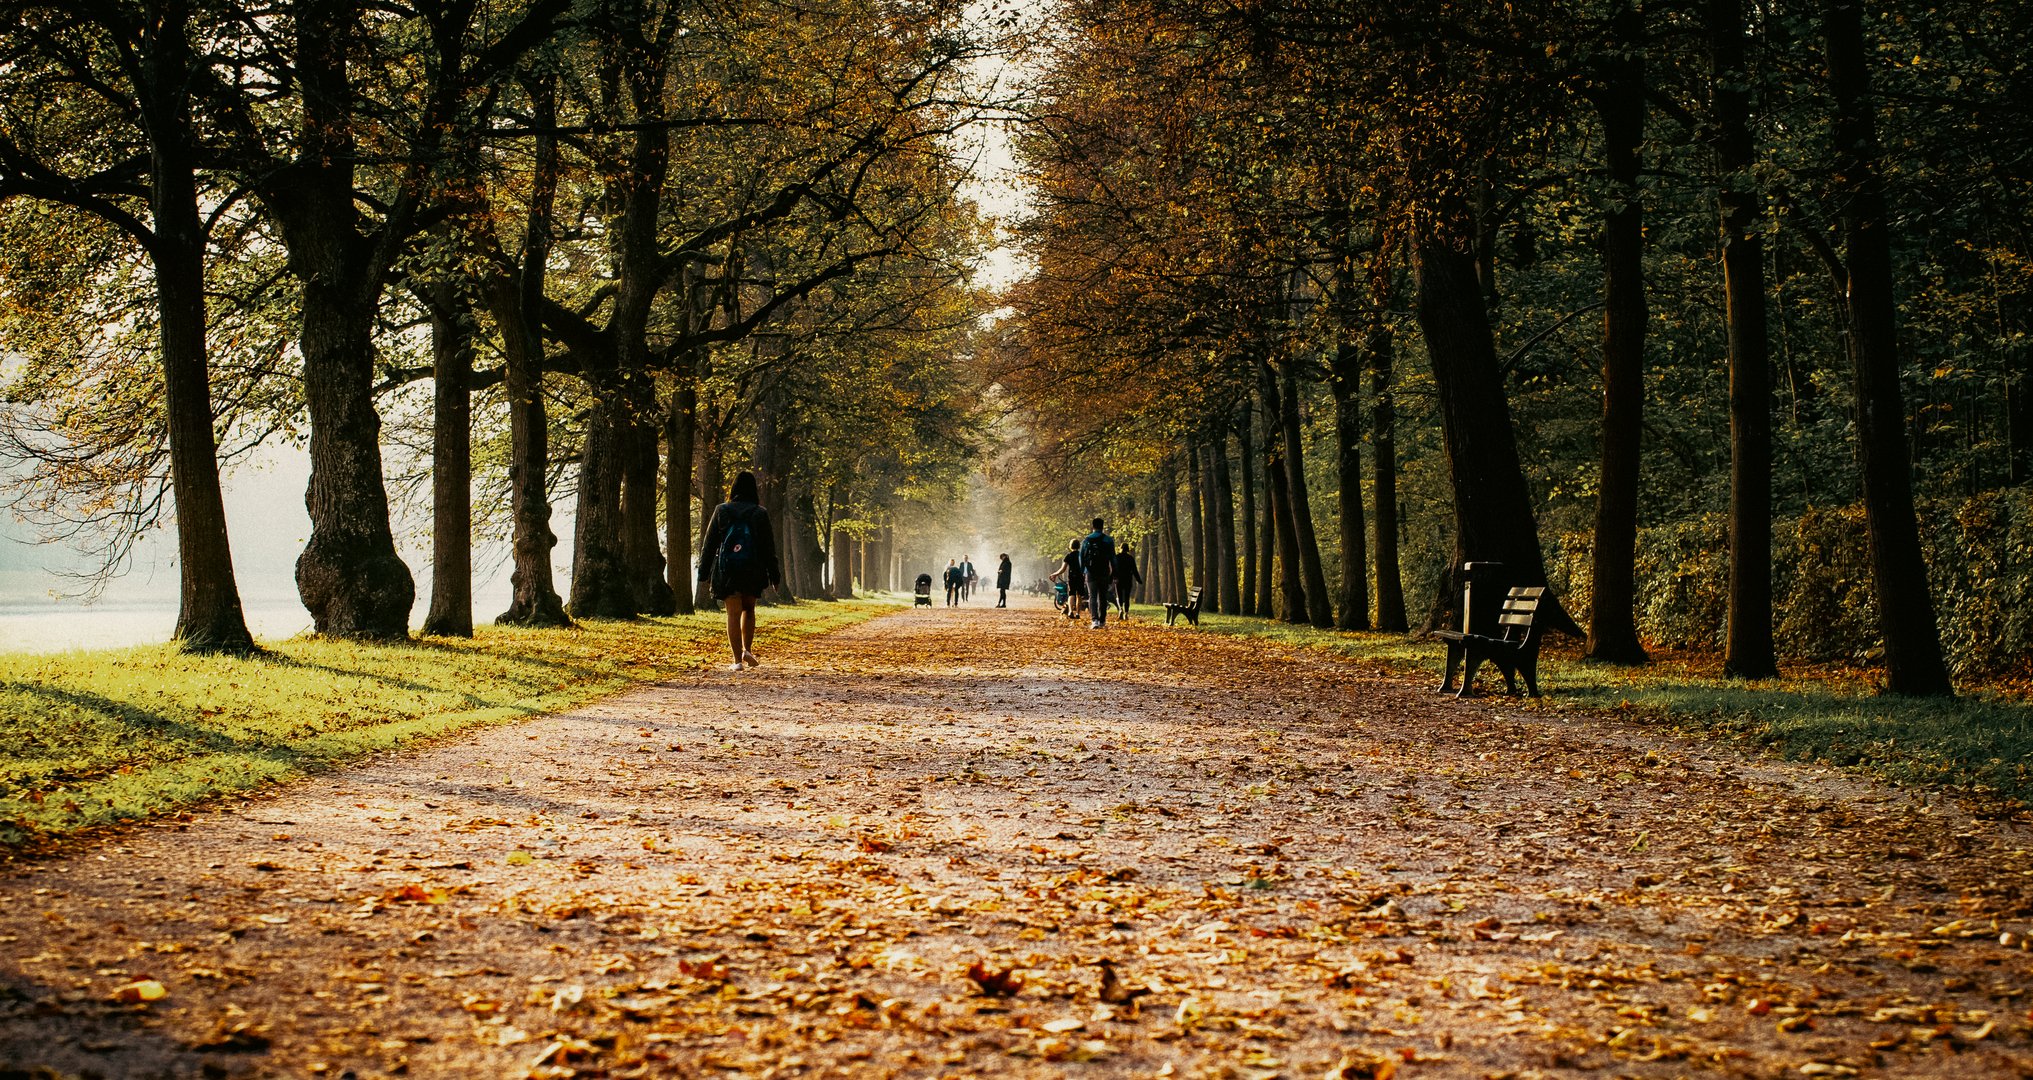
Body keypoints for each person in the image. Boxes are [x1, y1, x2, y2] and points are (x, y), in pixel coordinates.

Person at [697, 470, 781, 671]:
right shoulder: (760, 513)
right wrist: (775, 576)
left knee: (732, 614)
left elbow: (709, 545)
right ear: (753, 490)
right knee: (749, 610)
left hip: (728, 570)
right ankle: (748, 649)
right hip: (753, 569)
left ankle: (737, 661)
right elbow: (769, 548)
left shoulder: (721, 511)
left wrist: (703, 573)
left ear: (733, 489)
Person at [1077, 517, 1116, 629]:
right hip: (1104, 572)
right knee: (1103, 596)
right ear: (1102, 526)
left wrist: (1082, 571)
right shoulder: (1108, 540)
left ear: (1092, 526)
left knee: (1092, 596)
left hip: (1090, 572)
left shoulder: (1087, 540)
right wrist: (1114, 572)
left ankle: (1095, 621)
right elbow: (1113, 558)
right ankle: (1102, 620)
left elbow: (1082, 557)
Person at [1052, 538, 1085, 620]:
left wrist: (1055, 574)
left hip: (1072, 577)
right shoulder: (1082, 555)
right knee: (1079, 596)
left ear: (1071, 546)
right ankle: (1077, 613)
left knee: (1071, 594)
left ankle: (1070, 611)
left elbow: (1062, 569)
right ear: (1079, 546)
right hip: (1080, 577)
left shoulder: (1069, 556)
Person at [1112, 541, 1143, 620]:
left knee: (1119, 596)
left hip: (1118, 580)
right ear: (1128, 549)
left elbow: (1113, 569)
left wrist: (1111, 578)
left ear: (1120, 548)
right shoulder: (1130, 558)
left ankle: (1120, 609)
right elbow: (1134, 570)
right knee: (1127, 596)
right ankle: (1126, 613)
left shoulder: (1116, 557)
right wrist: (1138, 580)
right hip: (1128, 579)